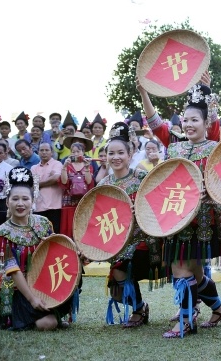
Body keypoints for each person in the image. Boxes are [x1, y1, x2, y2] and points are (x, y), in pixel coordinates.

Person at [138, 75, 221, 338]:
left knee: (182, 268)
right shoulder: (175, 148)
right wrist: (144, 93)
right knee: (194, 272)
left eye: (195, 120)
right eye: (186, 120)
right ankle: (219, 308)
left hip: (203, 219)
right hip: (177, 217)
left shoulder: (215, 148)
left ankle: (187, 319)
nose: (189, 124)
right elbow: (155, 122)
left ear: (206, 123)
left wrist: (209, 192)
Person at [0, 167, 79, 330]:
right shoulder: (2, 234)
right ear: (7, 202)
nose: (20, 204)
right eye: (15, 199)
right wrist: (32, 299)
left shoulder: (43, 223)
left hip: (43, 282)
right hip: (17, 289)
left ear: (32, 200)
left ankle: (52, 313)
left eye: (25, 199)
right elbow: (13, 270)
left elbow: (55, 252)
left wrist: (72, 253)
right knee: (48, 323)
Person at [98, 122, 161, 328]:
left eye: (120, 153)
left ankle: (139, 311)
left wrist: (139, 210)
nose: (116, 157)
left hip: (144, 238)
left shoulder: (141, 177)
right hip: (118, 241)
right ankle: (140, 307)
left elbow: (157, 204)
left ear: (130, 154)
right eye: (111, 153)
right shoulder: (103, 185)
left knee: (123, 264)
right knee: (117, 285)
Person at [58, 142, 94, 239]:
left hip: (83, 201)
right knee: (69, 228)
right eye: (73, 152)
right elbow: (64, 182)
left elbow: (89, 182)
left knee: (82, 228)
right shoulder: (68, 165)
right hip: (69, 202)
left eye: (78, 151)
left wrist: (87, 168)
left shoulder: (88, 165)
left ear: (83, 152)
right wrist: (64, 167)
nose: (76, 154)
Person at [30, 143, 63, 234]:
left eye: (47, 150)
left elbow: (55, 178)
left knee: (54, 234)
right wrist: (49, 179)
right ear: (38, 152)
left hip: (54, 206)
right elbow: (32, 184)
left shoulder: (57, 164)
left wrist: (39, 184)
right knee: (39, 234)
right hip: (38, 207)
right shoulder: (34, 168)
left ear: (51, 152)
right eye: (41, 150)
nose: (44, 152)